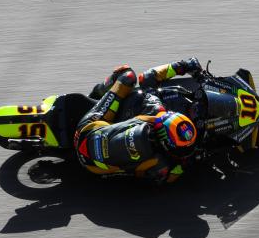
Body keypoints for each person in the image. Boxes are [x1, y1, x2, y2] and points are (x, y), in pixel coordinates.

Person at [74, 58, 203, 184]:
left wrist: (183, 65)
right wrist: (187, 162)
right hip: (94, 167)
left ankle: (95, 96)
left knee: (127, 75)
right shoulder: (161, 165)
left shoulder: (154, 114)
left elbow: (146, 78)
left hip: (86, 131)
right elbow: (168, 177)